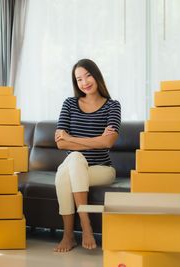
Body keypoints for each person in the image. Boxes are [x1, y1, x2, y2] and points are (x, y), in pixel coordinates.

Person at [54, 59, 121, 252]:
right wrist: (95, 139)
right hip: (73, 167)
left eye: (88, 75)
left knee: (70, 163)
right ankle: (83, 227)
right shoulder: (69, 104)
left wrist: (71, 138)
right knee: (73, 160)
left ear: (96, 75)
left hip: (102, 169)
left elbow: (107, 142)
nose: (85, 82)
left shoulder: (112, 106)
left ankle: (72, 233)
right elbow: (60, 143)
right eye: (79, 79)